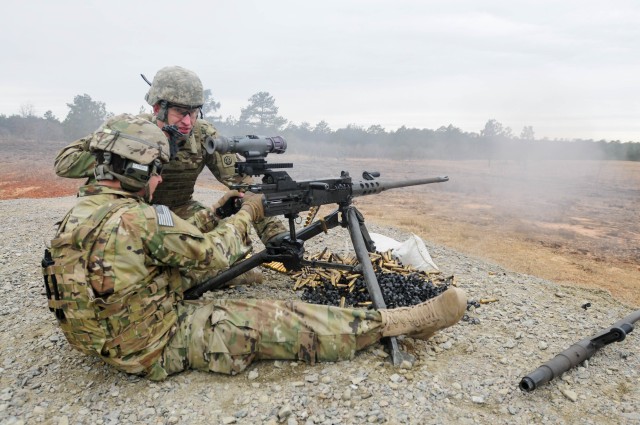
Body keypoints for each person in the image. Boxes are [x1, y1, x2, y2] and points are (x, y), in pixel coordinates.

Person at [44, 114, 469, 381]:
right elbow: (211, 254)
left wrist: (216, 213)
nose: (158, 181)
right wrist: (249, 213)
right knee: (271, 317)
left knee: (216, 274)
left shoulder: (83, 212)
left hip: (97, 336)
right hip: (148, 344)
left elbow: (172, 246)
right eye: (154, 171)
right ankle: (395, 323)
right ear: (133, 169)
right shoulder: (141, 219)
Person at [53, 65, 287, 285]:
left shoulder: (202, 134)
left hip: (180, 210)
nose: (188, 122)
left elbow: (243, 186)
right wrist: (121, 156)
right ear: (157, 108)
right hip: (131, 216)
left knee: (226, 250)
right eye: (180, 112)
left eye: (194, 113)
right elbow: (63, 163)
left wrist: (276, 238)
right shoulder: (131, 131)